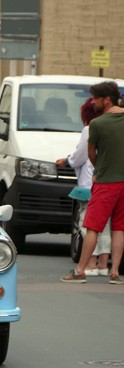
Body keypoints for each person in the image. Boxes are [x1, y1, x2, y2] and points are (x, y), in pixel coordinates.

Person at [62, 81, 124, 284]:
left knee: (92, 227)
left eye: (96, 99)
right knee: (118, 228)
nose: (93, 102)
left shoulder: (97, 124)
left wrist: (100, 169)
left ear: (106, 99)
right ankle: (114, 272)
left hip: (106, 182)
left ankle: (80, 269)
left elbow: (91, 155)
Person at [56, 98, 110, 276]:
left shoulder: (89, 129)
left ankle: (91, 264)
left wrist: (67, 160)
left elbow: (80, 156)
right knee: (106, 226)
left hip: (89, 184)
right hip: (109, 182)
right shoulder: (111, 127)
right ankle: (103, 264)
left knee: (88, 224)